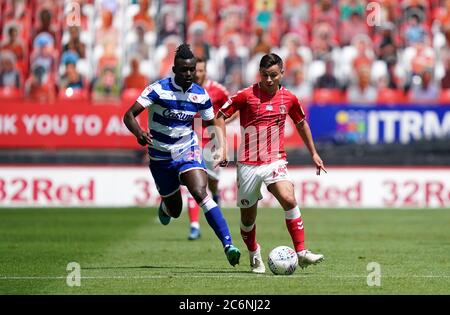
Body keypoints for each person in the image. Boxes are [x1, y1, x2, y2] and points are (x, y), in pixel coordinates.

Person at [123, 44, 241, 267]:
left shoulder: (201, 95)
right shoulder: (157, 90)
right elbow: (129, 115)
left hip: (188, 150)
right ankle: (166, 205)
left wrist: (221, 146)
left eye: (192, 70)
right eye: (184, 70)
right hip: (160, 157)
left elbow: (211, 122)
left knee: (200, 191)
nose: (189, 74)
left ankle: (228, 245)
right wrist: (139, 132)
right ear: (174, 69)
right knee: (175, 211)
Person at [216, 53, 326, 273]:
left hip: (275, 160)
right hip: (248, 163)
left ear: (282, 74)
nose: (268, 80)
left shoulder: (290, 99)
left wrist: (313, 152)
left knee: (289, 198)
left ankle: (302, 252)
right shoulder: (245, 95)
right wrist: (222, 148)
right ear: (260, 74)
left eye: (273, 75)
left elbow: (301, 123)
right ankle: (254, 253)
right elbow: (219, 115)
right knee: (248, 219)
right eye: (265, 75)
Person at [186, 56, 232, 240]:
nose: (197, 74)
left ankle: (216, 207)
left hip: (211, 143)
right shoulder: (185, 89)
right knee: (194, 184)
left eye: (200, 70)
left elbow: (233, 108)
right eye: (194, 70)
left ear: (206, 71)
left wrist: (220, 123)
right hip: (190, 142)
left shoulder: (218, 90)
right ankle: (194, 226)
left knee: (211, 184)